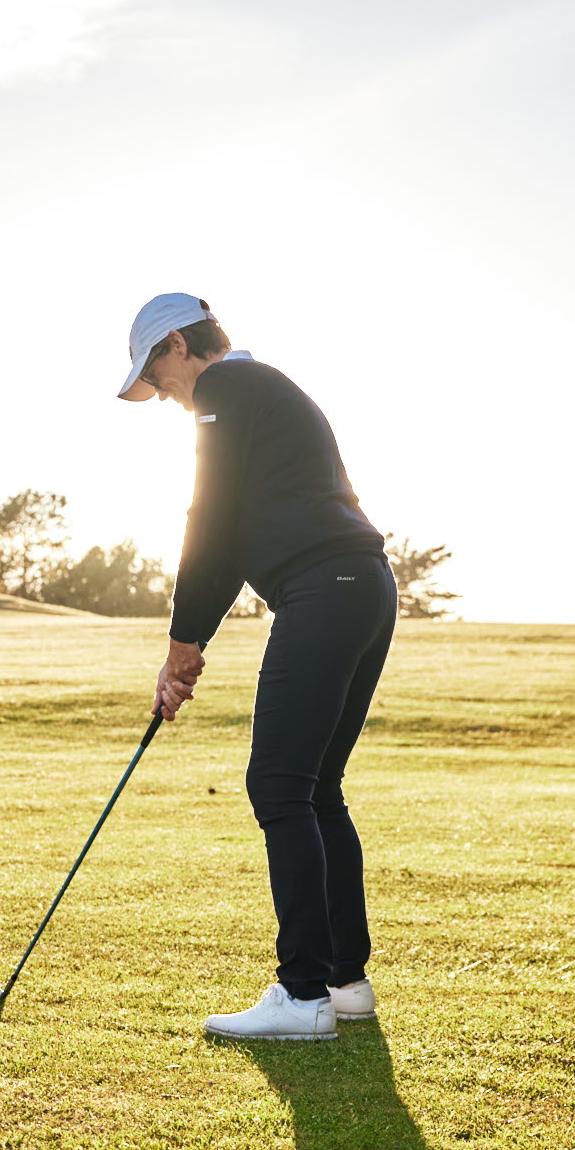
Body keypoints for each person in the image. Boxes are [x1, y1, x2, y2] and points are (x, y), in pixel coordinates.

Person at [118, 292, 393, 1043]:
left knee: (277, 785)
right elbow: (234, 535)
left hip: (327, 587)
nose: (165, 392)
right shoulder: (260, 391)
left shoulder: (227, 386)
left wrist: (180, 647)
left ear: (180, 344)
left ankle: (301, 994)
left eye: (157, 370)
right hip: (361, 585)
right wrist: (191, 643)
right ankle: (344, 984)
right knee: (314, 787)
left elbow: (208, 520)